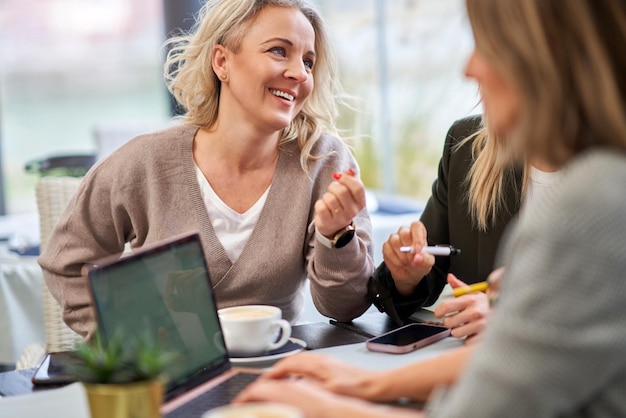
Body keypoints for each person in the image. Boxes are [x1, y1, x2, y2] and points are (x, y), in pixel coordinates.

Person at [237, 0, 626, 416]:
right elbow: (539, 364)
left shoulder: (594, 202)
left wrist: (321, 407)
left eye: (488, 46)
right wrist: (370, 382)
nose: (469, 68)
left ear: (546, 58)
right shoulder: (593, 181)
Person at [39, 0, 375, 339]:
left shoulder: (323, 161)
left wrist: (337, 237)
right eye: (278, 51)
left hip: (280, 370)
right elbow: (66, 266)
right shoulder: (144, 162)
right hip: (172, 380)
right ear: (222, 61)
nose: (300, 74)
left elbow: (344, 307)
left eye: (308, 61)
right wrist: (133, 343)